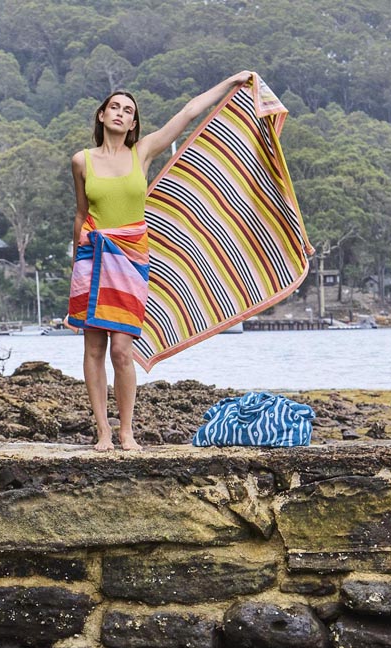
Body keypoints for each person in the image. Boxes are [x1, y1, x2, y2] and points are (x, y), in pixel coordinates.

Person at [68, 71, 252, 451]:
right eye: (114, 107)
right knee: (93, 349)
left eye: (127, 110)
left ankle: (126, 431)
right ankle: (103, 431)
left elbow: (188, 113)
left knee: (122, 349)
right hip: (93, 258)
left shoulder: (143, 152)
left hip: (132, 258)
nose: (120, 113)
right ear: (101, 116)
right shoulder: (81, 161)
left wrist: (231, 82)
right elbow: (80, 212)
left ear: (133, 123)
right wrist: (77, 256)